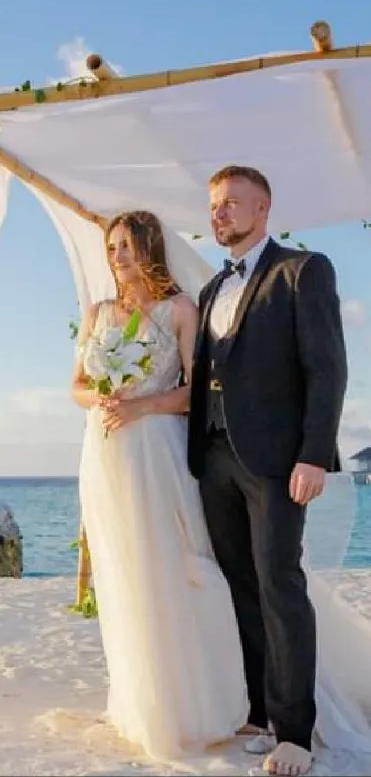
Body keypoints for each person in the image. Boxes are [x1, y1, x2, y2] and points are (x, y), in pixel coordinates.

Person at [71, 210, 250, 761]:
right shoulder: (99, 312)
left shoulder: (180, 311)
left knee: (168, 567)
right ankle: (136, 697)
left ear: (150, 247)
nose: (117, 256)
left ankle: (189, 701)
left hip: (157, 453)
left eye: (126, 245)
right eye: (111, 247)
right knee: (123, 571)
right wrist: (99, 398)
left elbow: (198, 393)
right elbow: (76, 383)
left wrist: (143, 404)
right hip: (105, 454)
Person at [187, 165, 348, 776]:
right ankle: (262, 713)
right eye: (214, 206)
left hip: (280, 461)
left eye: (231, 203)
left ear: (263, 208)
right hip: (216, 458)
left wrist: (314, 453)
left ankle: (297, 734)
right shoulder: (210, 290)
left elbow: (326, 369)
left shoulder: (303, 270)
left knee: (281, 586)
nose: (219, 214)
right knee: (244, 587)